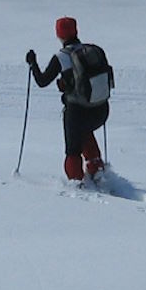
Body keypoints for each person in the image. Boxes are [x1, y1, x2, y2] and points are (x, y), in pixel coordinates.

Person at [26, 16, 109, 182]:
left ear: (59, 35)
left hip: (77, 112)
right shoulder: (93, 51)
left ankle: (76, 184)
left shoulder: (62, 57)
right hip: (101, 109)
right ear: (76, 31)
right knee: (85, 132)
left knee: (73, 150)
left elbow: (42, 81)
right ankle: (98, 173)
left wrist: (32, 63)